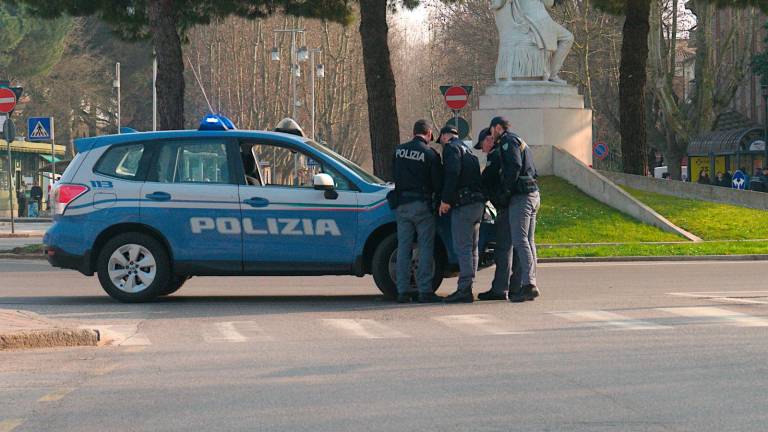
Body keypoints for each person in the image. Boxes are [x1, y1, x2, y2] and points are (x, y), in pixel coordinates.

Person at [391, 119, 444, 304]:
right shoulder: (430, 154)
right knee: (425, 248)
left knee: (403, 248)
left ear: (414, 132)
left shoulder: (398, 151)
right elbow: (437, 183)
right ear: (429, 133)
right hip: (422, 206)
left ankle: (403, 291)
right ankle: (424, 291)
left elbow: (393, 175)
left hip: (402, 205)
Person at [490, 116, 541, 302]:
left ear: (497, 128)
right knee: (528, 240)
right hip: (532, 193)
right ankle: (531, 281)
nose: (492, 135)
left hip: (521, 197)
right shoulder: (519, 140)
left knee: (520, 241)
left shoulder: (507, 141)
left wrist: (506, 191)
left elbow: (514, 166)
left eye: (491, 131)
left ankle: (529, 285)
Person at [438, 125, 486, 303]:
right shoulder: (468, 150)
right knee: (472, 248)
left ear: (444, 137)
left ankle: (464, 289)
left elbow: (452, 173)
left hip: (463, 204)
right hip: (477, 203)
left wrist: (445, 200)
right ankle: (468, 285)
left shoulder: (451, 148)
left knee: (463, 247)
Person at [476, 127, 522, 301]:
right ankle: (516, 286)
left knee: (503, 248)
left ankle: (500, 288)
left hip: (507, 207)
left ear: (489, 139)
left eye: (482, 145)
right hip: (514, 205)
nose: (482, 149)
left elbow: (487, 180)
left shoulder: (495, 156)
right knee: (517, 247)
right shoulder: (503, 153)